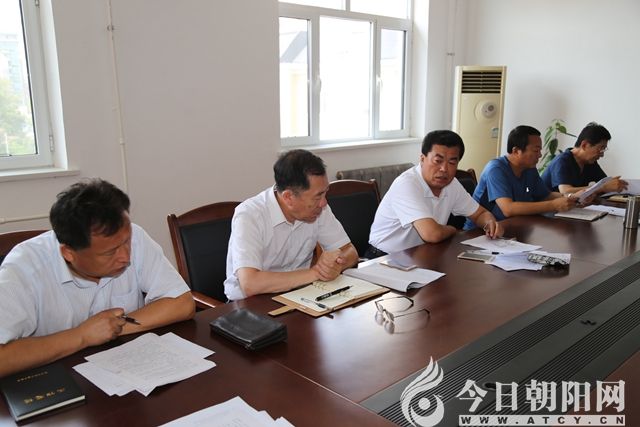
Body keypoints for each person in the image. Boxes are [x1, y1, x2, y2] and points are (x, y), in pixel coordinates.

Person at [0, 179, 195, 378]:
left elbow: (182, 303)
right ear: (68, 253)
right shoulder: (24, 269)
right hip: (54, 379)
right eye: (110, 253)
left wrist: (112, 329)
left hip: (126, 369)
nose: (125, 256)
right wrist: (82, 336)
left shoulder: (132, 236)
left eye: (126, 242)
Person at [224, 149, 359, 300]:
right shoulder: (250, 215)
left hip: (300, 295)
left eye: (325, 192)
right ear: (288, 197)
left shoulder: (318, 208)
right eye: (317, 196)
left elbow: (350, 251)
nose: (324, 202)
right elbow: (250, 284)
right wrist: (316, 272)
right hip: (252, 304)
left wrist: (336, 265)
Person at [367, 130, 503, 255]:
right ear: (422, 159)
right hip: (384, 257)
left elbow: (480, 214)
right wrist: (452, 230)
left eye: (452, 162)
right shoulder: (407, 184)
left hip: (421, 254)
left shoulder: (452, 184)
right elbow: (432, 234)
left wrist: (490, 223)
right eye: (438, 161)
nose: (444, 169)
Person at [470, 125, 579, 223]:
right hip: (482, 230)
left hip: (516, 224)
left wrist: (572, 197)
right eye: (536, 151)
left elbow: (546, 196)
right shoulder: (496, 169)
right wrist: (553, 205)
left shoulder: (529, 169)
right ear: (516, 151)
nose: (540, 155)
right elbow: (508, 209)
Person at [541, 122, 628, 195]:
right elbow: (566, 191)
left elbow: (605, 183)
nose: (602, 155)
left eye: (604, 149)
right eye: (600, 148)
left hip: (572, 206)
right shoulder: (562, 160)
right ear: (584, 145)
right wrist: (602, 187)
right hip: (549, 207)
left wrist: (616, 185)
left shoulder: (590, 162)